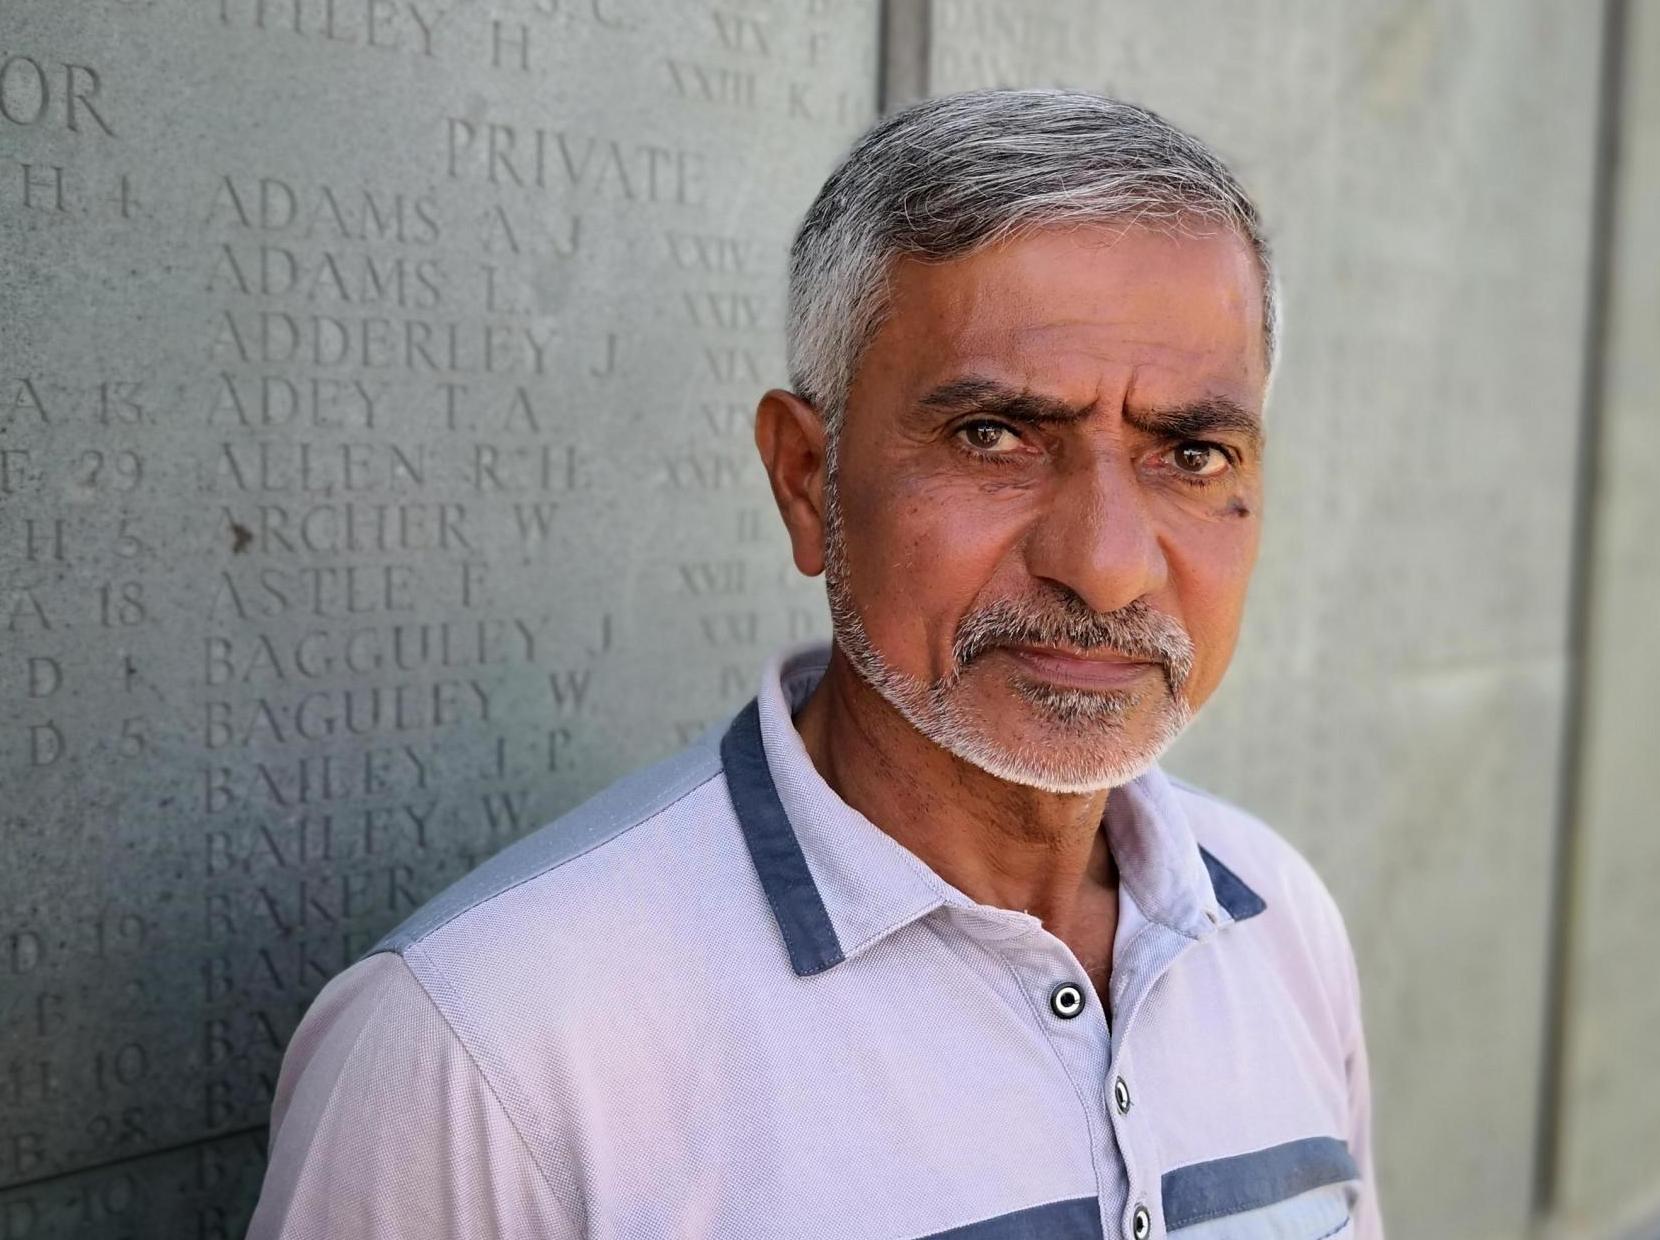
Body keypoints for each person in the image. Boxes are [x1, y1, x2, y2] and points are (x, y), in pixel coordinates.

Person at [247, 88, 1383, 1240]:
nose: (1103, 566)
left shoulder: (1278, 923)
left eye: (1190, 452)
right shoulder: (489, 1051)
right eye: (993, 436)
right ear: (807, 479)